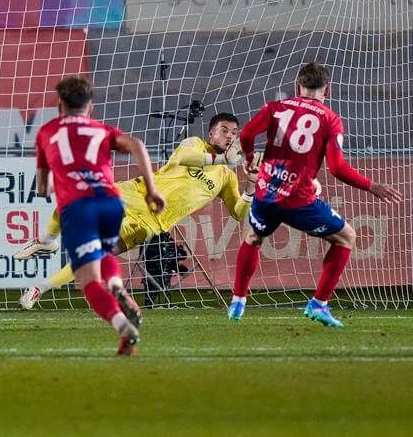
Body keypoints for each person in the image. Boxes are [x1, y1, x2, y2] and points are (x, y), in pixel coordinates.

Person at [16, 112, 278, 313]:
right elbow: (185, 159)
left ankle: (40, 288)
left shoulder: (226, 177)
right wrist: (221, 159)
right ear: (211, 134)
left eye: (234, 132)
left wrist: (251, 182)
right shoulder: (194, 144)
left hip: (151, 222)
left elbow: (239, 212)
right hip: (136, 195)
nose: (230, 136)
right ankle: (47, 242)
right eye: (224, 130)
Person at [230, 62, 402, 326]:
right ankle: (319, 304)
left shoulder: (276, 108)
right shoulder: (330, 119)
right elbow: (337, 168)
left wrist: (249, 158)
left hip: (266, 192)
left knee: (252, 238)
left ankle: (238, 302)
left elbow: (247, 133)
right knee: (346, 237)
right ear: (328, 90)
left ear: (297, 86)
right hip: (297, 200)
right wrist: (372, 186)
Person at [35, 76, 165, 355]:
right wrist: (151, 191)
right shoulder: (101, 130)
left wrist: (49, 182)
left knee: (88, 280)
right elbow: (137, 144)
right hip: (111, 203)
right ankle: (117, 285)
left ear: (59, 105)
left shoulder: (47, 131)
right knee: (104, 252)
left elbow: (42, 186)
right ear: (90, 107)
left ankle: (123, 326)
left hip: (78, 207)